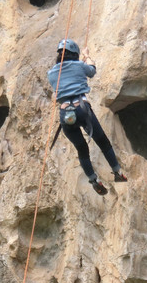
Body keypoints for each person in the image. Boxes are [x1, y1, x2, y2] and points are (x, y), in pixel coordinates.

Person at [47, 38, 128, 195]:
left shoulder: (51, 74)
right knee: (102, 141)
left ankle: (93, 180)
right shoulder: (79, 65)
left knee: (82, 149)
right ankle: (117, 173)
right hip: (82, 108)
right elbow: (92, 70)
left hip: (65, 114)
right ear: (74, 54)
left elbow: (59, 88)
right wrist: (87, 56)